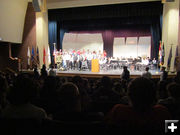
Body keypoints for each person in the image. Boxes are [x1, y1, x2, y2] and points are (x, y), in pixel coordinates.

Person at [105, 77, 171, 134]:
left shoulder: (118, 110)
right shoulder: (162, 112)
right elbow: (172, 130)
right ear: (154, 95)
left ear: (129, 95)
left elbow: (107, 129)